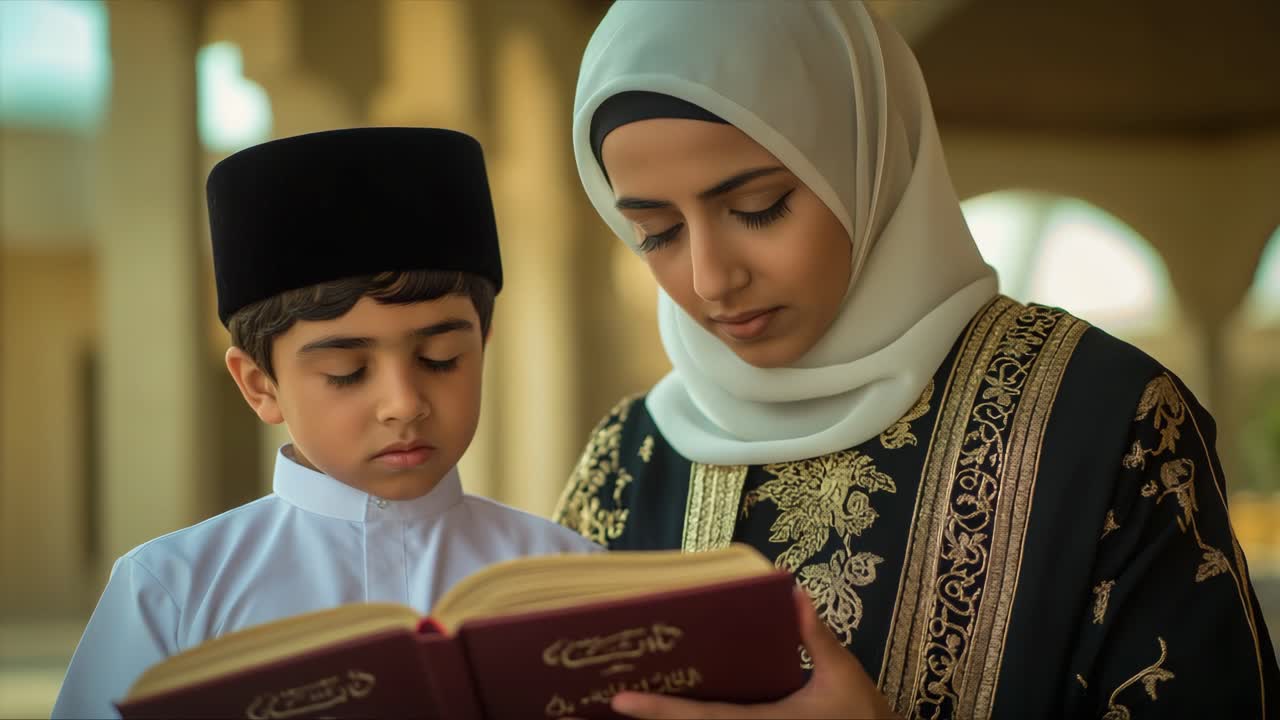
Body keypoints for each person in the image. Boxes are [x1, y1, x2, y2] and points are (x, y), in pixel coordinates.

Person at [553, 2, 1280, 718]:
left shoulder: (1109, 426)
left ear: (864, 160)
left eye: (760, 207)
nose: (712, 279)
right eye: (655, 232)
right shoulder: (627, 461)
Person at [53, 127, 599, 719]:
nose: (403, 403)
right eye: (346, 371)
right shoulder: (172, 591)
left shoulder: (572, 576)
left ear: (483, 345)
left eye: (440, 359)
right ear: (261, 385)